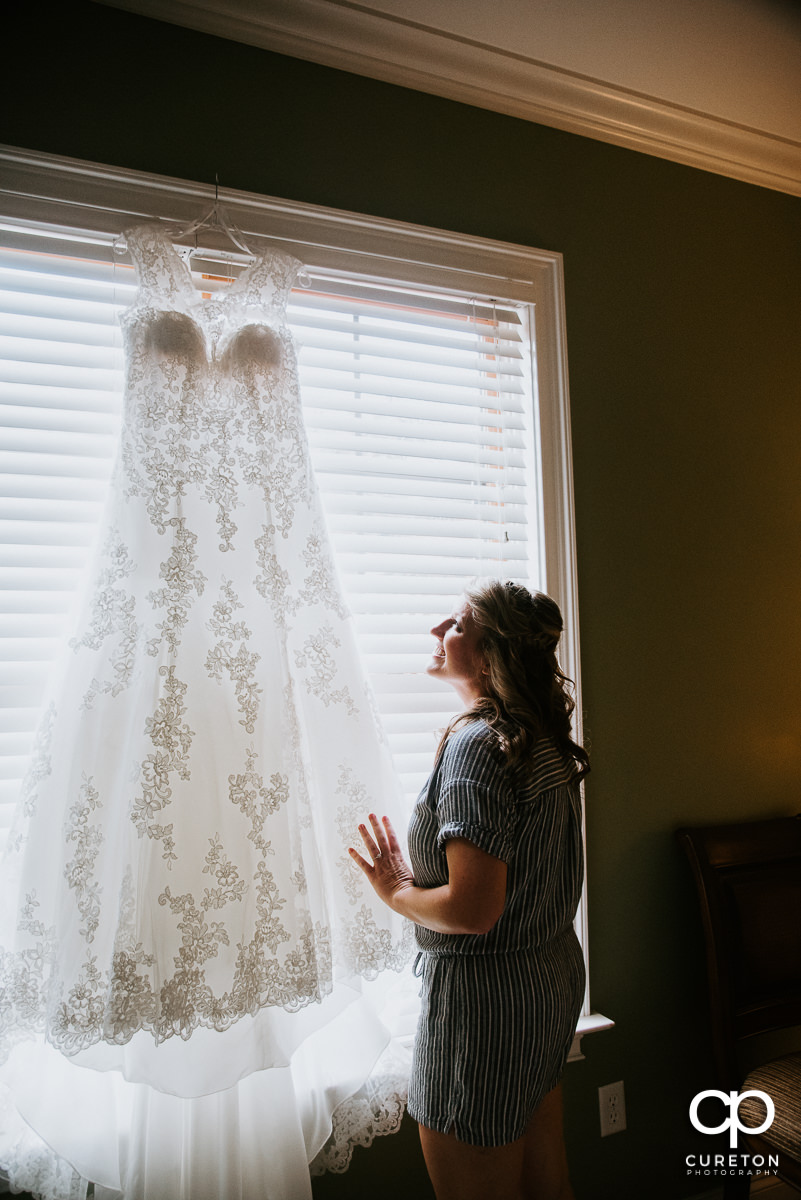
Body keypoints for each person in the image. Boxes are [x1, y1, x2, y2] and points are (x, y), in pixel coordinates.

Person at [349, 579, 589, 1200]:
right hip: (546, 984)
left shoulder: (477, 747)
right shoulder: (538, 738)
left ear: (489, 654)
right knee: (546, 1183)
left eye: (456, 624)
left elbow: (474, 908)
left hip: (485, 1010)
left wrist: (394, 890)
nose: (437, 631)